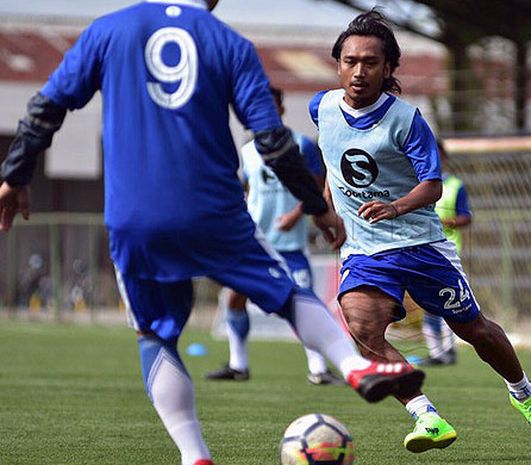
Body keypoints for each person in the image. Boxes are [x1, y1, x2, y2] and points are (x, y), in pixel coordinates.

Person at [0, 2, 425, 464]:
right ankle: (353, 366)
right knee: (285, 293)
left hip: (135, 215)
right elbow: (272, 139)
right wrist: (319, 208)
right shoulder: (229, 43)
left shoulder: (108, 31)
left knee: (155, 337)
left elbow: (47, 107)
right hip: (215, 209)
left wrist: (15, 174)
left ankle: (194, 455)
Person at [310, 10, 531, 453]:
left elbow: (433, 185)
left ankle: (525, 394)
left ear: (388, 69)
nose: (359, 71)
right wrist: (329, 210)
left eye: (370, 62)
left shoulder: (406, 120)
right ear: (338, 64)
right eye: (350, 61)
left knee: (476, 331)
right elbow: (333, 158)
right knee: (361, 327)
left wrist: (396, 206)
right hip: (367, 251)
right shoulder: (322, 107)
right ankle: (426, 416)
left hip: (422, 246)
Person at [206, 86, 342, 385]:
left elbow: (316, 189)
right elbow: (245, 188)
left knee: (305, 301)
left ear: (280, 108)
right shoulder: (246, 150)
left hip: (290, 243)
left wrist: (295, 215)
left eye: (271, 104)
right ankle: (238, 364)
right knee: (235, 298)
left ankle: (318, 369)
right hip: (255, 240)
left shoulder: (301, 145)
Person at [420, 140, 472, 366]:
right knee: (428, 305)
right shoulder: (417, 182)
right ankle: (436, 352)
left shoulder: (455, 186)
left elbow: (466, 216)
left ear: (445, 158)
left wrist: (448, 221)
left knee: (450, 303)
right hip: (422, 249)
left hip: (448, 251)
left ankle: (448, 350)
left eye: (438, 156)